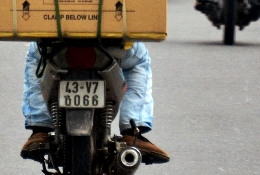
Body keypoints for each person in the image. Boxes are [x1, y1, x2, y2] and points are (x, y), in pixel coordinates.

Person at [21, 41, 170, 163]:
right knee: (139, 60)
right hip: (112, 44)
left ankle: (39, 129)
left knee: (35, 56)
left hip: (55, 43)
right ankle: (133, 131)